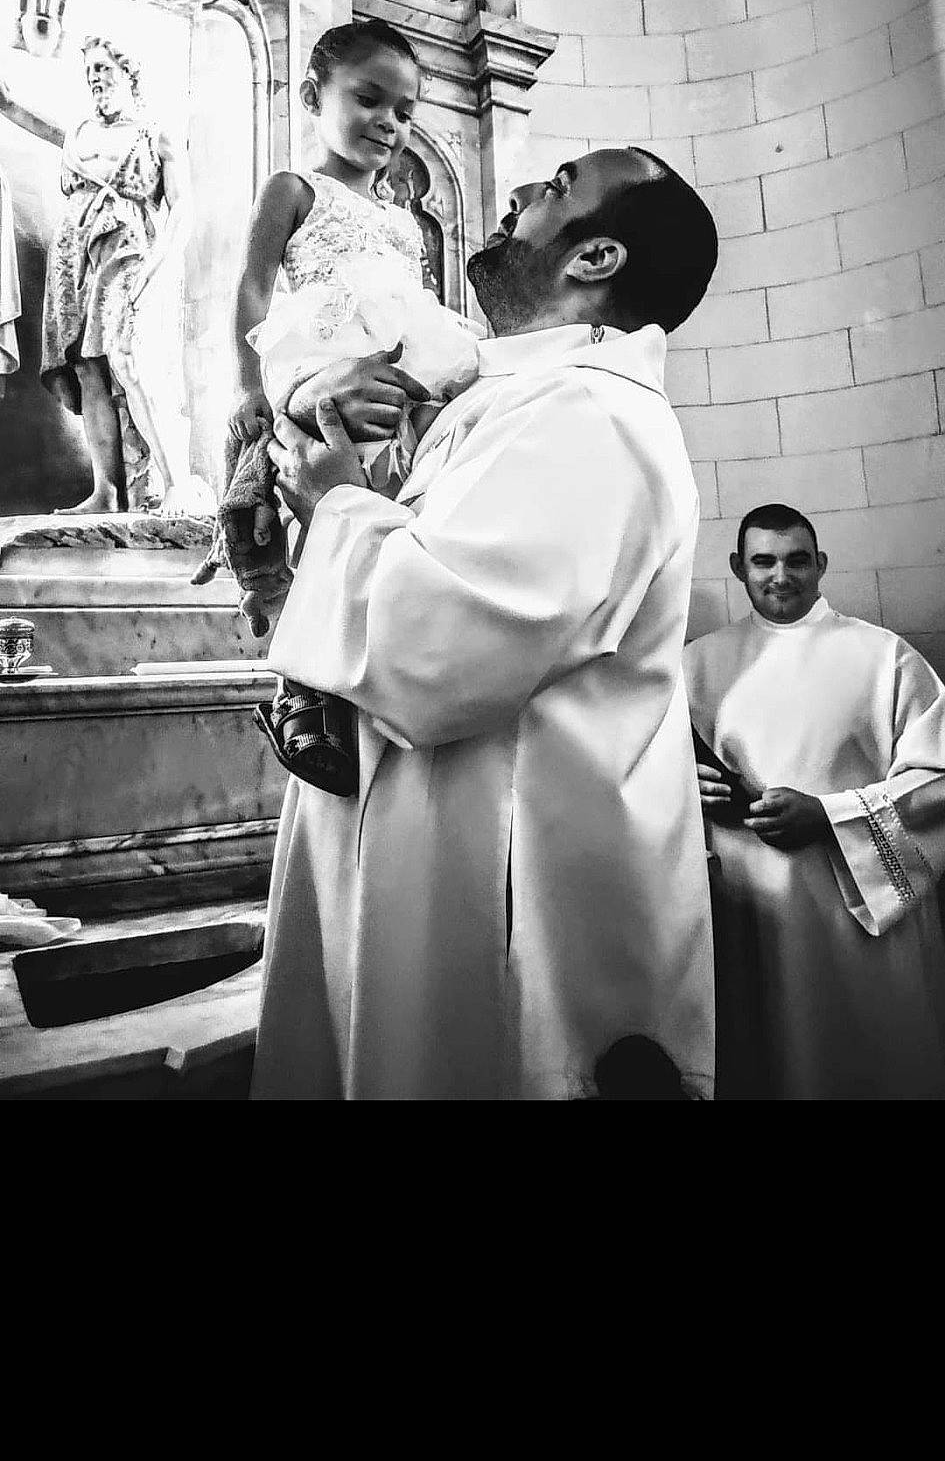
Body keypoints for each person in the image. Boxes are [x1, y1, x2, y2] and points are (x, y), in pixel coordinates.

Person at [249, 144, 719, 1101]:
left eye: (556, 188)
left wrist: (336, 503)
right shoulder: (514, 405)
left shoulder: (594, 416)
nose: (518, 194)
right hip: (436, 873)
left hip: (507, 918)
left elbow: (440, 653)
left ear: (596, 259)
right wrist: (335, 485)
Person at [202, 17, 480, 789]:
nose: (389, 123)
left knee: (391, 518)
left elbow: (414, 306)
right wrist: (248, 387)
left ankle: (379, 676)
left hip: (398, 377)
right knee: (315, 526)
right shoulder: (294, 190)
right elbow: (253, 290)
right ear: (311, 95)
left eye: (405, 110)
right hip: (319, 359)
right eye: (368, 99)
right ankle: (301, 691)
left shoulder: (401, 221)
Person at [684, 503, 945, 1099]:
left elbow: (938, 780)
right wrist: (682, 789)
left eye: (798, 561)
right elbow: (648, 778)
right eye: (763, 562)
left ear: (821, 565)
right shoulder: (694, 665)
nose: (782, 577)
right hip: (742, 910)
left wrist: (829, 816)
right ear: (738, 567)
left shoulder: (886, 657)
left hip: (853, 914)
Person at [40, 35, 204, 513]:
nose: (95, 78)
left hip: (128, 253)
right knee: (89, 368)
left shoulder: (155, 133)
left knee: (133, 363)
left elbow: (183, 209)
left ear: (128, 73)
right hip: (74, 259)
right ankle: (106, 492)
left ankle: (176, 481)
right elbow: (19, 109)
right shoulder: (80, 133)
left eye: (103, 68)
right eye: (89, 70)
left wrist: (160, 263)